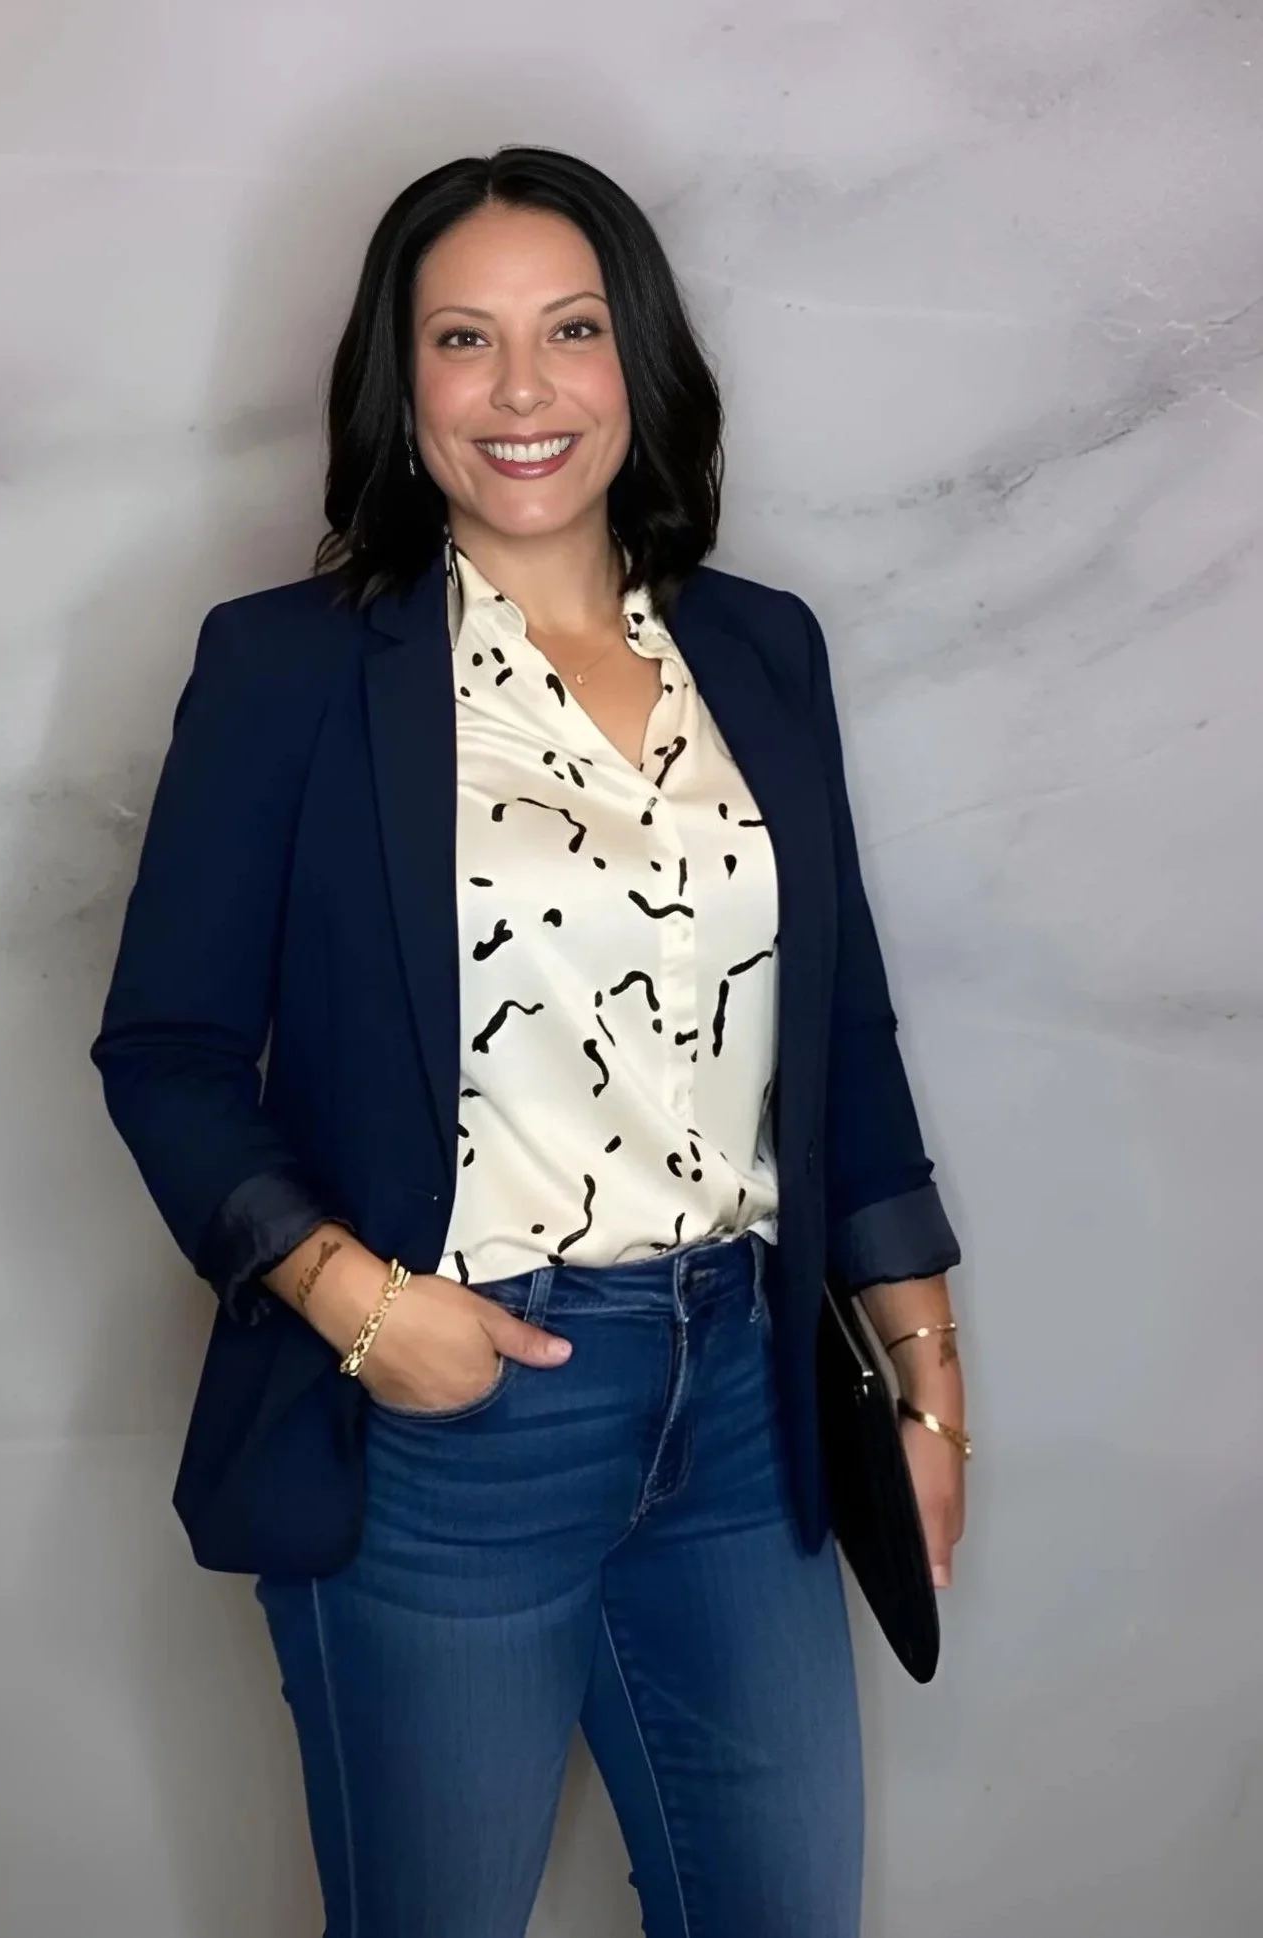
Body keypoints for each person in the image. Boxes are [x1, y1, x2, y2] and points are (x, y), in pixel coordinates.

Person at [90, 144, 969, 1938]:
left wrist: (927, 1384)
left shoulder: (761, 648)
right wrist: (362, 1306)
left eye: (567, 330)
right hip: (452, 1410)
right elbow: (164, 1047)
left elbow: (841, 1030)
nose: (519, 390)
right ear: (395, 384)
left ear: (634, 361)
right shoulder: (289, 669)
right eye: (460, 339)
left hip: (748, 1410)